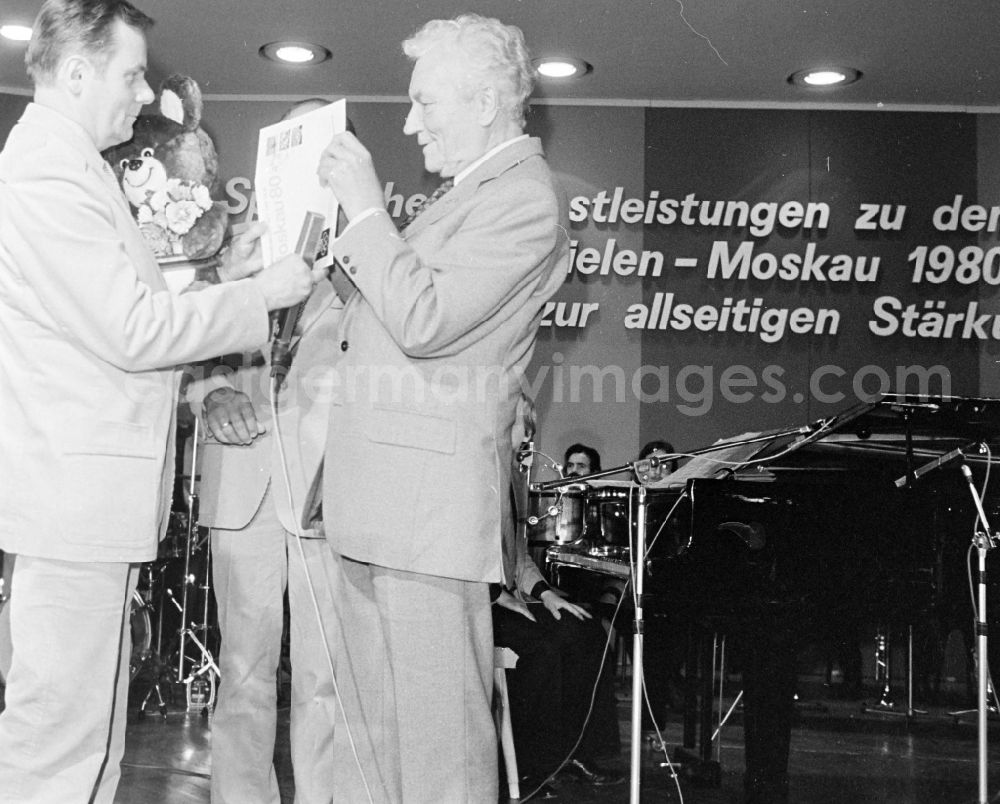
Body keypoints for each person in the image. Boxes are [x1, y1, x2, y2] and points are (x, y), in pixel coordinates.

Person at [0, 2, 320, 801]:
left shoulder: (75, 169)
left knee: (92, 742)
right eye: (131, 73)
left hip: (90, 506)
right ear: (76, 73)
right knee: (56, 745)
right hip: (76, 504)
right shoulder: (45, 172)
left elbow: (124, 319)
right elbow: (134, 331)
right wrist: (261, 295)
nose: (145, 96)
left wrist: (234, 278)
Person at [314, 13, 569, 802]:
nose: (408, 122)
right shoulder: (460, 199)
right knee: (378, 751)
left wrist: (365, 214)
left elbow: (424, 321)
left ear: (487, 101)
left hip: (424, 518)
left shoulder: (525, 199)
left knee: (440, 759)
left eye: (426, 103)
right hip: (381, 508)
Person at [187, 99, 347, 804]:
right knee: (244, 669)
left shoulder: (369, 253)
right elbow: (184, 341)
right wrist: (212, 394)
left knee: (326, 678)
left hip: (327, 493)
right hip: (243, 484)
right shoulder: (234, 250)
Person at [493, 397, 623, 797]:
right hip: (481, 601)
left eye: (531, 431)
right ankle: (533, 763)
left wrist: (546, 594)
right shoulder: (482, 478)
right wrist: (498, 596)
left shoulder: (516, 479)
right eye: (522, 430)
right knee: (544, 650)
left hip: (508, 595)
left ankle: (577, 752)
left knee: (587, 633)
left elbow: (517, 559)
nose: (528, 440)